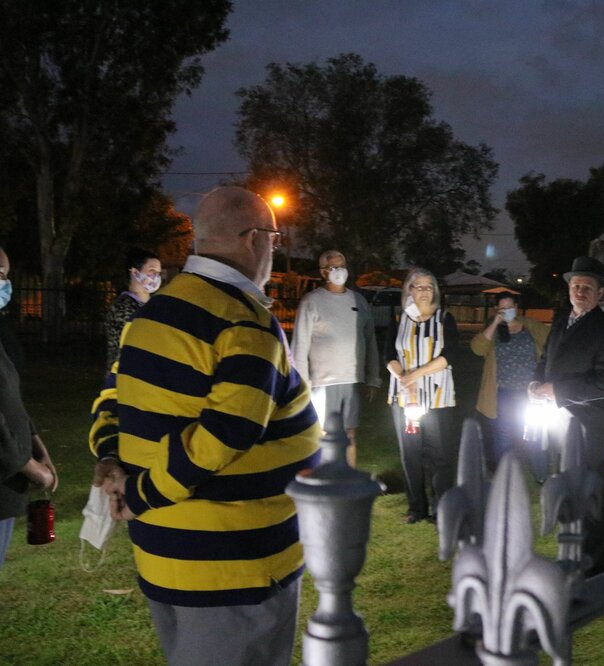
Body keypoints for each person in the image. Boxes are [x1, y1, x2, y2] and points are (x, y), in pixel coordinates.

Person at [89, 187, 320, 666]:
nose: (274, 250)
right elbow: (226, 434)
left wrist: (110, 456)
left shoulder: (151, 315)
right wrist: (139, 495)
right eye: (275, 239)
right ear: (255, 239)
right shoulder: (243, 321)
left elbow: (113, 395)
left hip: (166, 556)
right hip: (234, 565)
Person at [529, 256, 604, 576]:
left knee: (589, 488)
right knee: (566, 483)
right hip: (555, 419)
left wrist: (558, 390)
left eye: (587, 287)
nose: (580, 291)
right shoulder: (561, 321)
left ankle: (594, 563)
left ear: (600, 292)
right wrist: (535, 382)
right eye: (576, 285)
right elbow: (545, 360)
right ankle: (571, 548)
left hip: (585, 424)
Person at [292, 249, 381, 467]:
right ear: (323, 272)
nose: (339, 271)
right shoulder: (311, 301)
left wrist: (373, 378)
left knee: (350, 434)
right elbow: (300, 345)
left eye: (342, 266)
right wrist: (302, 384)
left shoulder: (359, 301)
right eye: (333, 267)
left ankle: (349, 477)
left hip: (352, 381)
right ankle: (324, 479)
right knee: (324, 434)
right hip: (322, 382)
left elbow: (370, 340)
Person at [0, 246, 58, 570]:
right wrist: (29, 466)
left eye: (6, 275)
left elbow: (9, 397)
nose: (5, 283)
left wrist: (38, 446)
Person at [385, 268, 458, 524]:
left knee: (441, 455)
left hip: (437, 396)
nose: (425, 291)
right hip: (405, 397)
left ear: (435, 291)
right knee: (410, 454)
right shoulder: (399, 319)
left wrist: (415, 375)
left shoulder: (444, 318)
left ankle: (441, 508)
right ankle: (416, 507)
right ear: (409, 290)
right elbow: (389, 356)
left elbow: (450, 355)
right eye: (419, 286)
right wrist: (403, 379)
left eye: (429, 286)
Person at [470, 291, 549, 475]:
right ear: (496, 309)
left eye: (510, 307)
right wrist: (495, 323)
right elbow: (477, 348)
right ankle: (502, 475)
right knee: (502, 434)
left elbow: (552, 342)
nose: (506, 311)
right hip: (504, 392)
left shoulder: (530, 325)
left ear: (516, 307)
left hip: (531, 393)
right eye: (502, 308)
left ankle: (541, 475)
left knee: (535, 433)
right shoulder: (494, 330)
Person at [104, 247, 161, 372]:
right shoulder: (124, 308)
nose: (156, 277)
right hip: (124, 376)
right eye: (152, 271)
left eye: (158, 272)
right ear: (135, 272)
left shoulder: (153, 305)